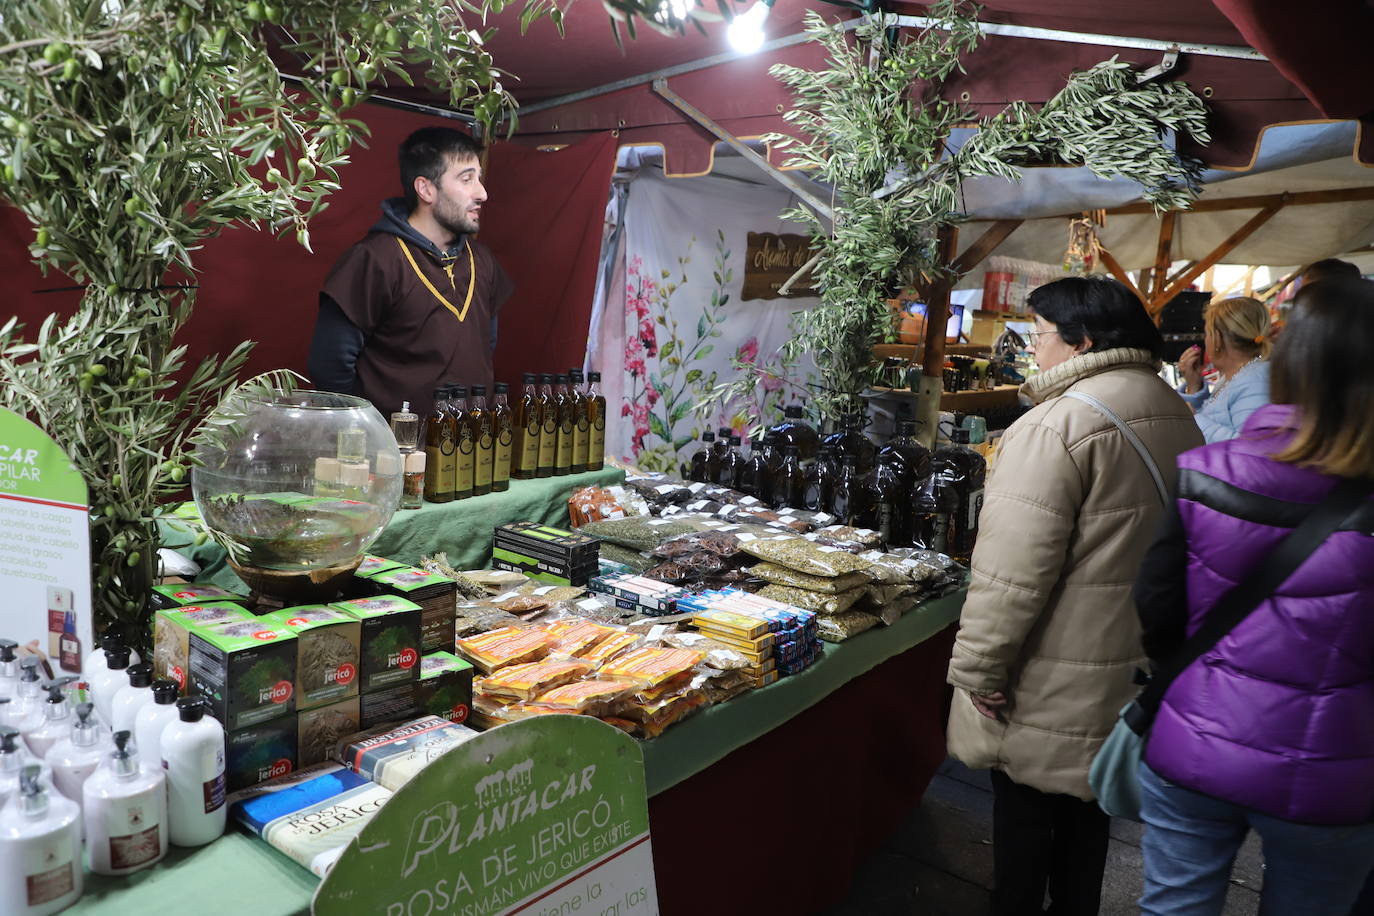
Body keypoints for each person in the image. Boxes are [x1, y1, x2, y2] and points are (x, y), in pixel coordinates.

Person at [946, 277, 1203, 916]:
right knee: (1089, 812)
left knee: (1025, 824)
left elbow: (1011, 574)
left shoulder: (1057, 424)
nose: (1034, 349)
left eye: (1039, 336)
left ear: (1081, 340)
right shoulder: (1173, 408)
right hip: (1126, 655)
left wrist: (979, 669)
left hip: (1051, 668)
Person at [1133, 278, 1374, 916]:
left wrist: (1188, 671)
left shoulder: (1207, 470)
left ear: (1290, 361)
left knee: (1174, 907)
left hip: (1196, 734)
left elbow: (1157, 601)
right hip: (1337, 768)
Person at [308, 126, 513, 419]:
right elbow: (330, 367)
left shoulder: (482, 261)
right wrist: (370, 435)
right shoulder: (374, 259)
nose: (482, 193)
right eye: (467, 179)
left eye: (478, 179)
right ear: (426, 188)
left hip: (468, 448)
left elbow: (485, 349)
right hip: (393, 455)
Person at [1176, 296, 1271, 443]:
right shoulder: (1238, 375)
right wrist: (1194, 385)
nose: (1205, 340)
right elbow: (1219, 417)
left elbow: (1251, 450)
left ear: (1217, 339)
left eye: (1207, 334)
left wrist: (1194, 420)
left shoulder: (1256, 383)